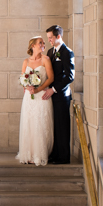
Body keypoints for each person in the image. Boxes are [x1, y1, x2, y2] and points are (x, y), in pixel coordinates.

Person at [16, 37, 55, 165]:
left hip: (42, 96)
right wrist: (26, 86)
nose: (43, 45)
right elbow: (23, 78)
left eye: (44, 43)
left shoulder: (46, 60)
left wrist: (38, 90)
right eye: (41, 43)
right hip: (29, 97)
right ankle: (28, 154)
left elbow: (50, 78)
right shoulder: (25, 61)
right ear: (32, 45)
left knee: (40, 124)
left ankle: (39, 154)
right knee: (29, 123)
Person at [42, 25, 74, 164]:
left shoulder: (67, 52)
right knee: (54, 125)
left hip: (62, 95)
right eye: (48, 38)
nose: (48, 40)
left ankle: (63, 157)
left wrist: (53, 89)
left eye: (51, 38)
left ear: (58, 36)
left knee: (62, 126)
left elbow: (70, 76)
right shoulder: (50, 52)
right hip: (51, 95)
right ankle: (55, 154)